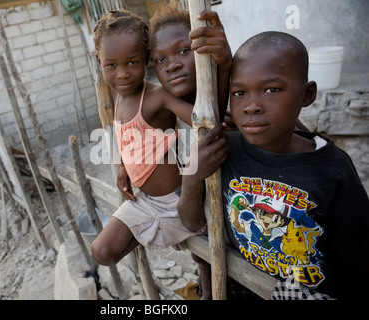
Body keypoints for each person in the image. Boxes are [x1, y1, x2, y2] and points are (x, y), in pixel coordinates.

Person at [177, 31, 369, 300]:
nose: (252, 106)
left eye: (272, 90)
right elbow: (192, 222)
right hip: (245, 284)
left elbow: (358, 253)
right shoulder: (223, 150)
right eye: (240, 93)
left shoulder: (332, 167)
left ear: (307, 94)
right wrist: (191, 178)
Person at [90, 9, 212, 280]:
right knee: (102, 251)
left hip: (178, 200)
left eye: (131, 63)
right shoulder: (117, 96)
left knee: (205, 256)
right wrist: (122, 165)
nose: (122, 74)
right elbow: (125, 135)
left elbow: (202, 121)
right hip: (145, 200)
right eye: (111, 65)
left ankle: (201, 266)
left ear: (145, 59)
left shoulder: (157, 97)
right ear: (99, 61)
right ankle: (157, 232)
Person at [148, 3, 231, 299]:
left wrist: (225, 64)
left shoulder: (242, 100)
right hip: (207, 232)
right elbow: (191, 220)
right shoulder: (170, 118)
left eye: (185, 50)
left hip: (250, 238)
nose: (171, 64)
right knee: (206, 264)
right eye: (160, 59)